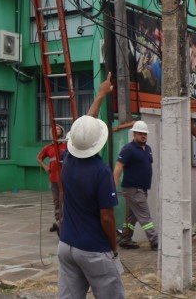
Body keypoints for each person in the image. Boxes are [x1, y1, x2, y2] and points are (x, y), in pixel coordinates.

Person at [58, 72, 125, 299]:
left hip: (66, 246)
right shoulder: (101, 172)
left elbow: (84, 131)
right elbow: (107, 217)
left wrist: (100, 95)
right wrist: (114, 250)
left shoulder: (68, 158)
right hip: (94, 250)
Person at [113, 120, 158, 251]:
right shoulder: (128, 149)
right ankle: (155, 241)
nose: (143, 136)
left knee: (132, 217)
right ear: (134, 134)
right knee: (145, 215)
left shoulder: (148, 149)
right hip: (132, 188)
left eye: (145, 133)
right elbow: (118, 167)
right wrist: (113, 186)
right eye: (140, 133)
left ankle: (125, 239)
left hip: (143, 189)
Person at [36, 124, 66, 233]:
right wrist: (45, 166)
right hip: (53, 179)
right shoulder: (48, 148)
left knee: (66, 201)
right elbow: (39, 158)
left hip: (65, 179)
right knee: (56, 201)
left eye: (58, 128)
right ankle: (58, 222)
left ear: (62, 132)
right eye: (54, 129)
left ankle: (63, 223)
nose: (56, 130)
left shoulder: (66, 145)